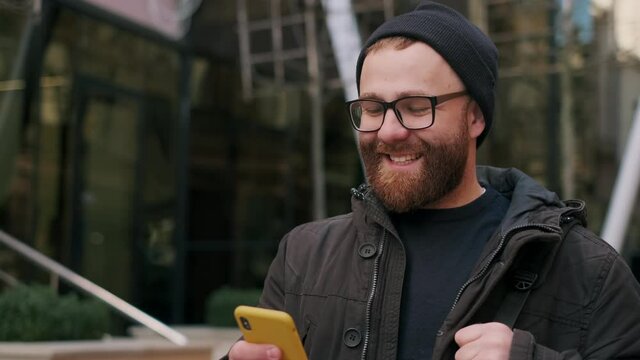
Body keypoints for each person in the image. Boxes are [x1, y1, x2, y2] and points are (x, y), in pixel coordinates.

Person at [227, 1, 640, 359]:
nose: (389, 131)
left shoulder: (588, 270)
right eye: (373, 108)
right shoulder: (303, 255)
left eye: (415, 105)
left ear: (474, 117)